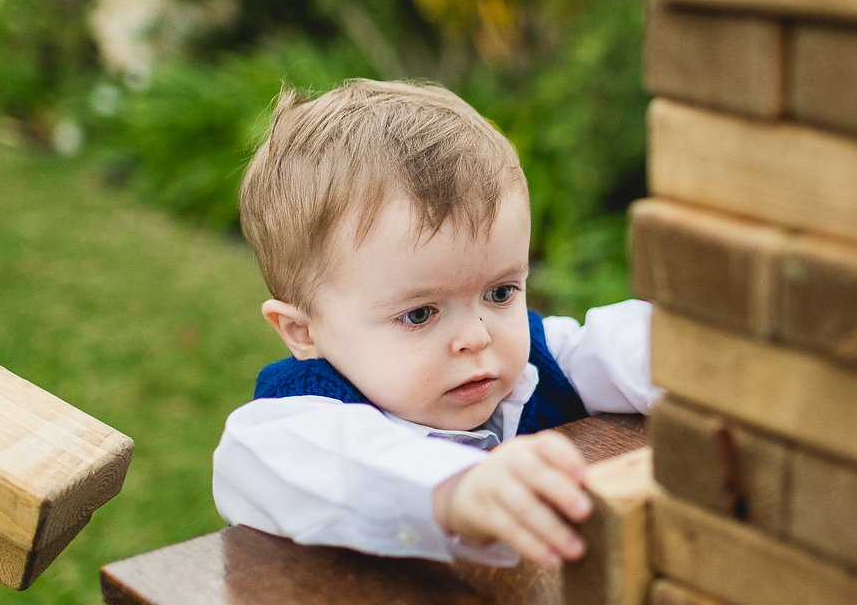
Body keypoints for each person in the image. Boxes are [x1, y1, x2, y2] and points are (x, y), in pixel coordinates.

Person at [213, 79, 657, 569]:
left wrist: (715, 360)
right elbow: (280, 464)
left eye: (500, 292)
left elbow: (627, 348)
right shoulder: (294, 424)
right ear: (303, 331)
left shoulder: (539, 359)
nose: (476, 337)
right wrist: (456, 492)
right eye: (420, 314)